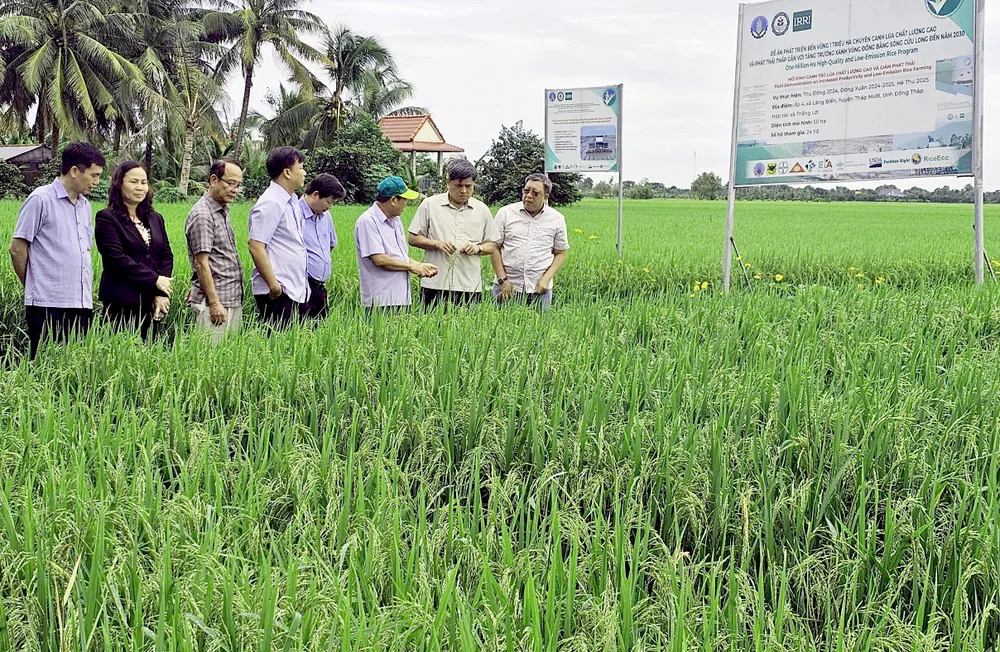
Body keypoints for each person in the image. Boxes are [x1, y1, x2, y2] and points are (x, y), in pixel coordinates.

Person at [9, 142, 105, 358]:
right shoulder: (40, 199)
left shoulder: (85, 206)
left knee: (74, 369)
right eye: (93, 175)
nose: (97, 182)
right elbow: (17, 249)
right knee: (45, 368)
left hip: (80, 302)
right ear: (74, 171)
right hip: (47, 303)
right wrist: (33, 284)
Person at [94, 161, 174, 341]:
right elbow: (117, 260)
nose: (140, 187)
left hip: (153, 301)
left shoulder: (155, 218)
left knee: (153, 355)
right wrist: (155, 280)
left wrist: (161, 293)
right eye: (134, 182)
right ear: (119, 184)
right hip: (121, 301)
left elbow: (166, 255)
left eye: (144, 182)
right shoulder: (107, 218)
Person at [407, 159, 499, 307]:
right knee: (431, 327)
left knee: (467, 329)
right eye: (458, 186)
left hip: (469, 285)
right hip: (435, 283)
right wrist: (438, 244)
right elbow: (413, 238)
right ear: (448, 182)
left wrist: (478, 248)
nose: (463, 191)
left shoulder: (482, 210)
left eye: (468, 186)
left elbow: (492, 245)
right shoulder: (430, 205)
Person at [354, 176, 438, 312]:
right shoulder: (368, 221)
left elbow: (398, 256)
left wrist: (418, 265)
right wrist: (411, 267)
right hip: (380, 300)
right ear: (393, 200)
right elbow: (380, 259)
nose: (406, 204)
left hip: (401, 297)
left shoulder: (395, 220)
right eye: (405, 200)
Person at [248, 146, 309, 328]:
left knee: (289, 348)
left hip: (293, 288)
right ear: (287, 172)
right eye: (301, 167)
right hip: (278, 291)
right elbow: (256, 246)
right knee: (277, 348)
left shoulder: (291, 201)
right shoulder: (271, 202)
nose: (304, 172)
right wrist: (274, 286)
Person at [490, 173, 570, 310]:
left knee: (539, 329)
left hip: (539, 289)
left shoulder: (557, 219)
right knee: (501, 328)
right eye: (526, 191)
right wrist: (502, 280)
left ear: (546, 197)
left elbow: (560, 253)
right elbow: (494, 247)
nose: (529, 196)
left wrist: (546, 279)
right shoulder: (505, 213)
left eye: (535, 193)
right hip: (507, 287)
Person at [185, 158, 244, 342]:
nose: (234, 189)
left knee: (226, 361)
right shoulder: (203, 214)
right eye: (230, 183)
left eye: (238, 185)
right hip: (217, 303)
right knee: (210, 363)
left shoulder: (221, 210)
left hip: (230, 297)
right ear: (213, 180)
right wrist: (214, 303)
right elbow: (201, 264)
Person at [299, 173, 346, 319]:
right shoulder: (294, 213)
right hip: (300, 286)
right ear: (315, 194)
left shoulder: (326, 217)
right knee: (298, 333)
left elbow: (330, 246)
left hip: (320, 288)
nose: (330, 207)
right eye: (329, 202)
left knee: (319, 335)